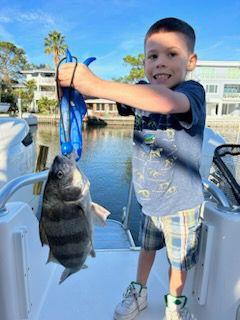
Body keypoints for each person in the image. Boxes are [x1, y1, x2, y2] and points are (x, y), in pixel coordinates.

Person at [58, 17, 206, 320]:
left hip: (182, 206)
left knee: (178, 263)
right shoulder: (140, 91)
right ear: (144, 62)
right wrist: (75, 87)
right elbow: (109, 95)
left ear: (191, 61)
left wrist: (96, 83)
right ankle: (139, 291)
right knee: (146, 250)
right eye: (153, 56)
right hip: (150, 202)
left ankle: (175, 305)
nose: (160, 63)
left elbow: (166, 103)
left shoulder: (192, 93)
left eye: (171, 54)